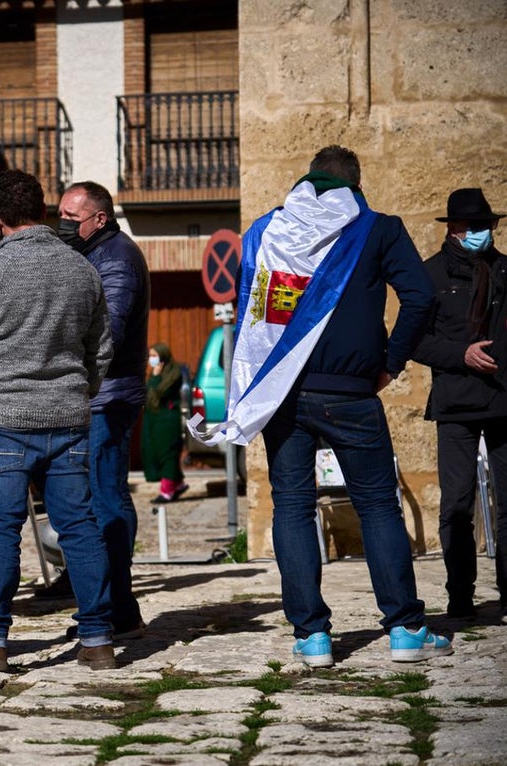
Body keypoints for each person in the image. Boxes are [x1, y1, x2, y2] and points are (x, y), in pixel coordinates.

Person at [189, 145, 451, 666]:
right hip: (353, 392)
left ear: (307, 180)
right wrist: (390, 363)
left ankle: (312, 636)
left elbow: (253, 314)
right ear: (356, 184)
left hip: (282, 396)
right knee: (377, 505)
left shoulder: (266, 233)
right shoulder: (378, 228)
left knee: (292, 507)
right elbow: (420, 297)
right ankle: (404, 629)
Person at [0, 169, 117, 672]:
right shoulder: (82, 269)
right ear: (42, 211)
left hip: (1, 420)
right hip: (67, 420)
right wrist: (78, 393)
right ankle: (99, 640)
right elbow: (101, 348)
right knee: (80, 528)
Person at [58, 180, 151, 640]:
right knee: (94, 499)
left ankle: (117, 606)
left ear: (100, 218)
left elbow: (107, 331)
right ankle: (112, 603)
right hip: (93, 396)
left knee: (105, 498)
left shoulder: (116, 259)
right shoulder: (92, 253)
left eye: (72, 219)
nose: (64, 226)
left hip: (108, 397)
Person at [411, 188, 507, 621]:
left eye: (486, 226)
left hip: (503, 400)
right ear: (452, 228)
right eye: (471, 226)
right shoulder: (429, 276)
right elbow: (415, 340)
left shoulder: (505, 270)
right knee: (456, 505)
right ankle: (460, 596)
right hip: (456, 405)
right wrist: (462, 355)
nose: (479, 233)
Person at [143, 343, 189, 503]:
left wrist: (155, 376)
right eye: (151, 356)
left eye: (154, 355)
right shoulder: (156, 374)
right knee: (157, 452)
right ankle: (178, 484)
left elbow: (160, 391)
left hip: (167, 422)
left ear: (163, 357)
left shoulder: (173, 374)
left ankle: (166, 491)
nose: (152, 359)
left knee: (167, 454)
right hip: (155, 421)